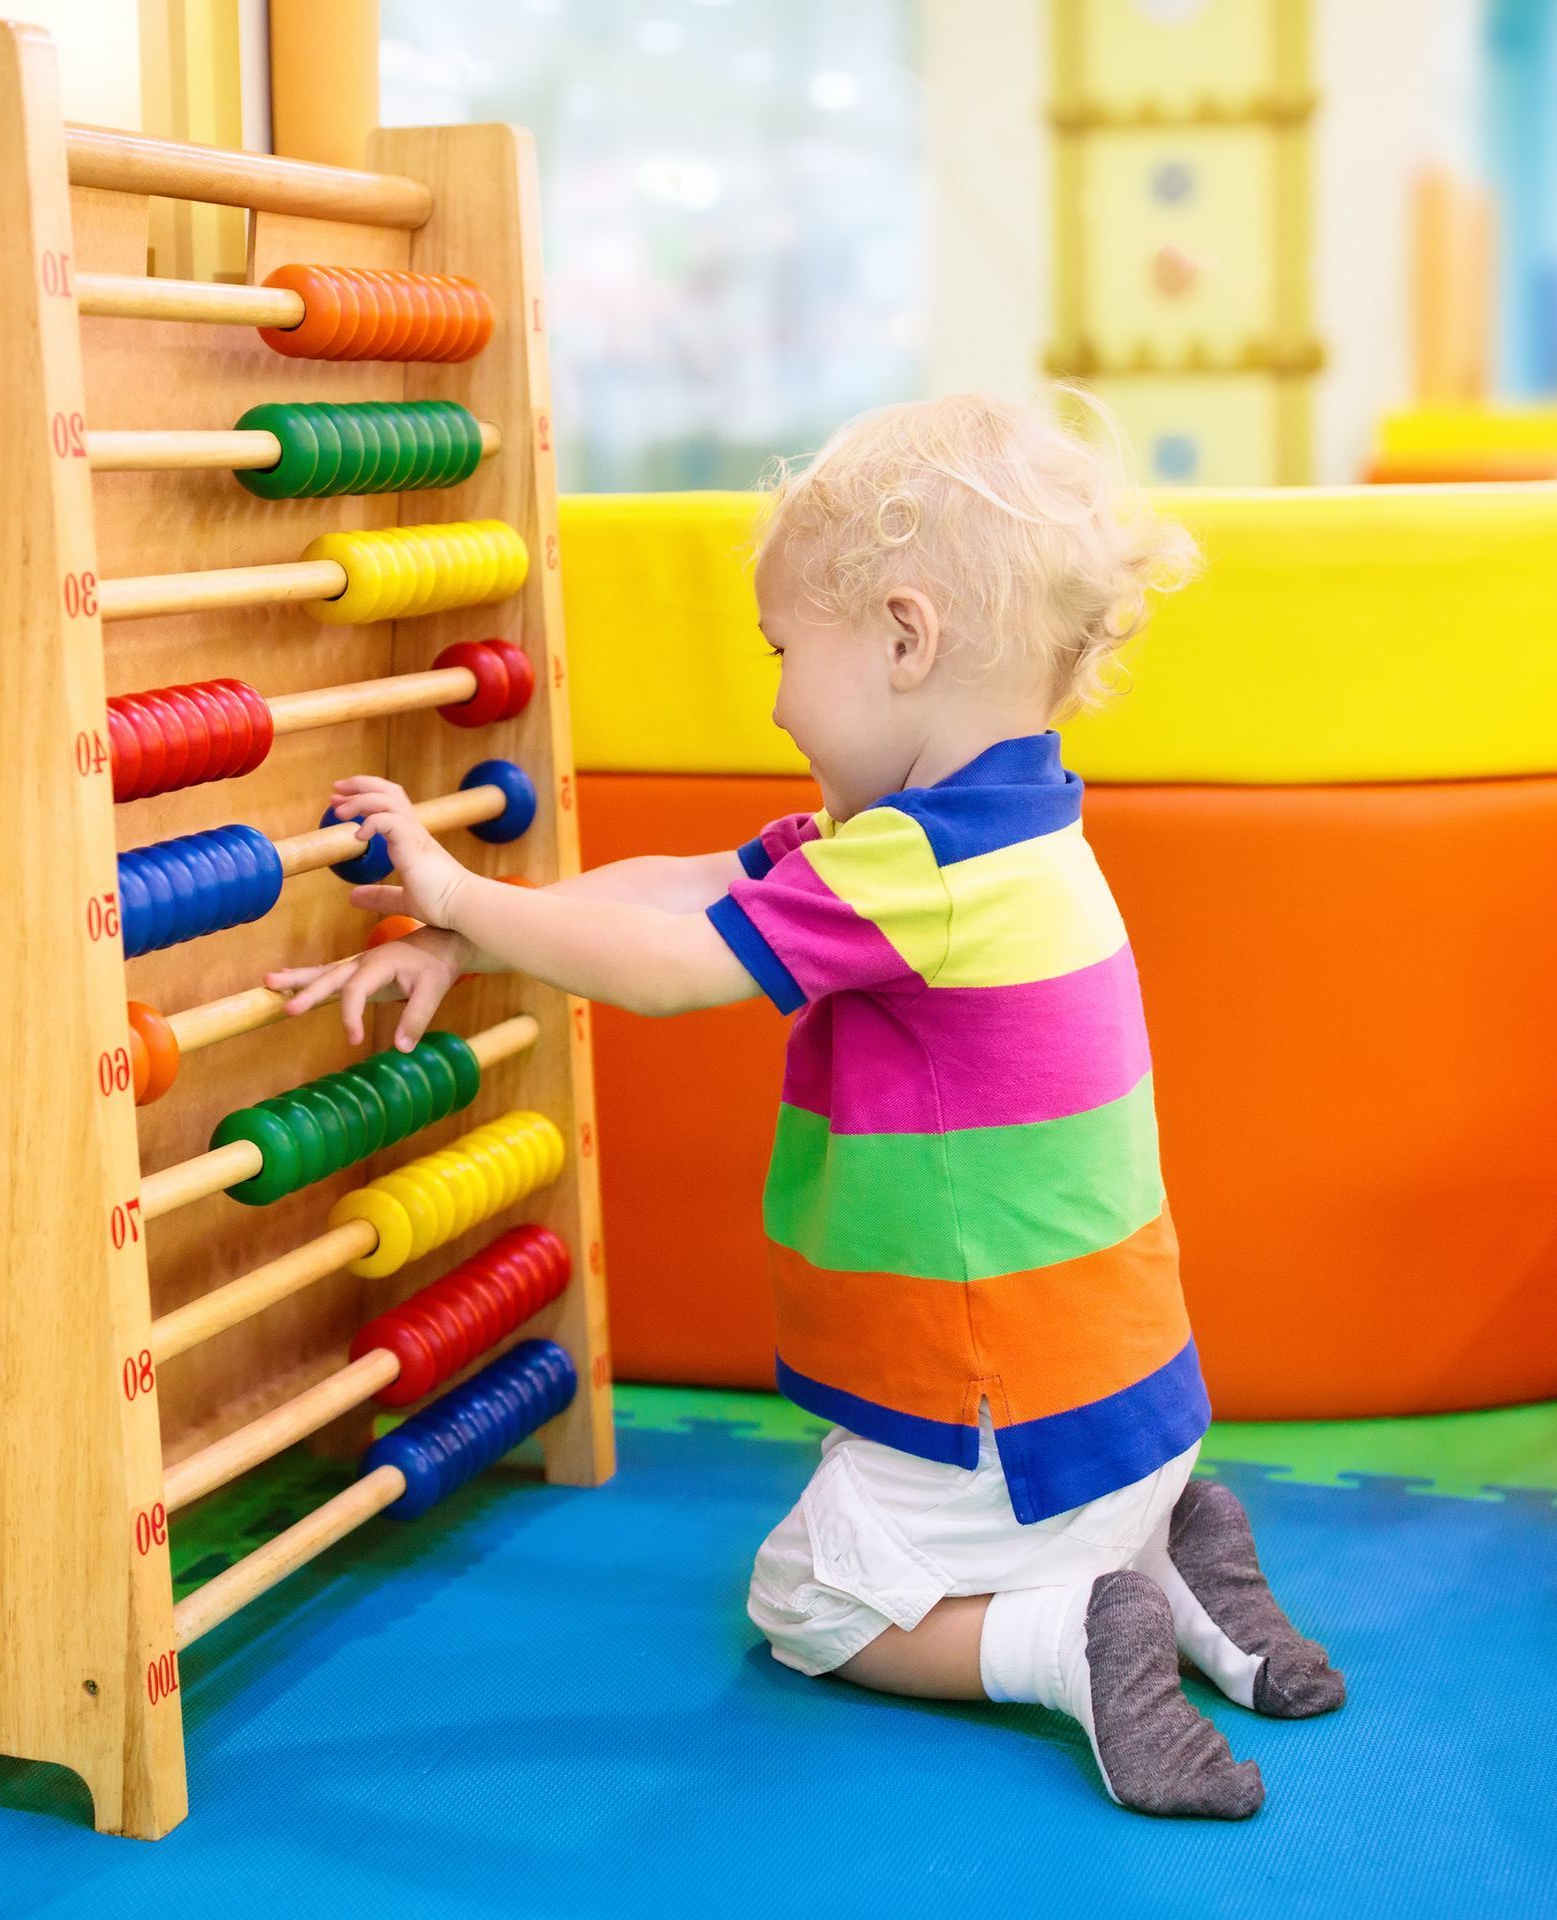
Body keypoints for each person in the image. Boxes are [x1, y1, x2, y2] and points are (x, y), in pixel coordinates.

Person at [267, 392, 1343, 1817]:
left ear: (906, 639)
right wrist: (479, 928)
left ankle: (1065, 1635)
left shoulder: (917, 875)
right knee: (1019, 1526)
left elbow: (666, 966)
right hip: (1131, 1405)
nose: (773, 700)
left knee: (805, 1600)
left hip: (998, 1414)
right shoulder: (986, 842)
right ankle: (1169, 1553)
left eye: (784, 653)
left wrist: (462, 888)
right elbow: (692, 889)